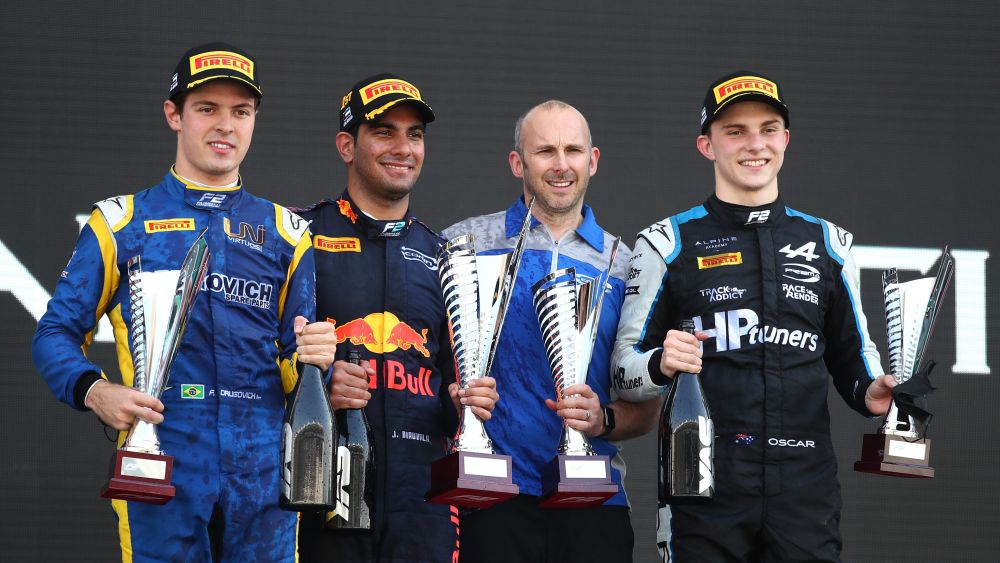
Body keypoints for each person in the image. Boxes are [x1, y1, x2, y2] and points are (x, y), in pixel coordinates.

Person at [31, 42, 337, 562]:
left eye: (240, 112)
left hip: (263, 473)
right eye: (207, 109)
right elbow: (54, 334)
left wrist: (315, 361)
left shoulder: (287, 234)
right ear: (174, 114)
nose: (225, 125)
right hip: (162, 460)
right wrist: (94, 390)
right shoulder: (122, 223)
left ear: (254, 121)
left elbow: (295, 367)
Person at [611, 70, 897, 562]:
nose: (754, 145)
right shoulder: (665, 243)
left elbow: (856, 361)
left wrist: (873, 392)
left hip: (805, 486)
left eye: (767, 129)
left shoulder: (830, 243)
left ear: (786, 139)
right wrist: (660, 362)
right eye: (735, 131)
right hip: (702, 481)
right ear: (707, 145)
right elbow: (623, 369)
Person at [294, 73, 499, 563]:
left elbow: (458, 377)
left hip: (422, 497)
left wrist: (466, 401)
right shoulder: (299, 236)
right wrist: (317, 383)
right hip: (321, 485)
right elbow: (259, 356)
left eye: (415, 134)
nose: (403, 147)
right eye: (384, 132)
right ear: (347, 145)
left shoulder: (447, 258)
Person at [445, 100, 660, 563]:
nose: (561, 165)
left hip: (593, 503)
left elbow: (646, 408)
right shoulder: (463, 245)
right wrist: (453, 396)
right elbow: (427, 370)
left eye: (573, 150)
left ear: (593, 160)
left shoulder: (628, 265)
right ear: (517, 163)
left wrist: (602, 419)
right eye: (545, 151)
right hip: (489, 496)